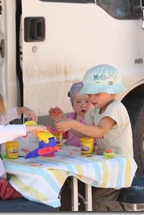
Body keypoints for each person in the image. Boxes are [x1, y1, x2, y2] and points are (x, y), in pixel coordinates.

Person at [54, 64, 133, 211]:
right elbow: (86, 133)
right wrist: (65, 121)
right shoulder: (95, 111)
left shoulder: (115, 108)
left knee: (98, 201)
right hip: (102, 163)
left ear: (113, 93)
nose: (91, 98)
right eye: (90, 94)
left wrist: (73, 123)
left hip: (117, 166)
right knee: (69, 186)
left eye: (96, 94)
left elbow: (99, 131)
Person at [48, 82, 93, 147]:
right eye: (78, 102)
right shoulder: (69, 117)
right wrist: (59, 122)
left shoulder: (94, 120)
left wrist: (66, 122)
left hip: (87, 153)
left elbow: (85, 134)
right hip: (69, 152)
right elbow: (62, 136)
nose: (83, 105)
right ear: (72, 104)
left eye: (87, 101)